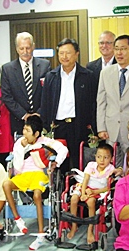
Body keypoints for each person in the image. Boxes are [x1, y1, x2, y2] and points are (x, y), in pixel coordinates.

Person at [2, 116, 68, 250]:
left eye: (27, 130)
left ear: (36, 133)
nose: (24, 133)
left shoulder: (47, 141)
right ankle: (17, 219)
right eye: (24, 129)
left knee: (37, 196)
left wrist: (57, 162)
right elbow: (18, 166)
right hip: (24, 174)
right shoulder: (20, 142)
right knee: (6, 184)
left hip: (39, 174)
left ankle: (40, 234)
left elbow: (63, 150)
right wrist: (22, 148)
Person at [40, 38, 97, 170]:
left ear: (77, 53)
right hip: (58, 126)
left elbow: (93, 104)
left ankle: (77, 189)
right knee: (59, 162)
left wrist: (93, 128)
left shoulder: (87, 76)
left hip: (79, 125)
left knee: (79, 162)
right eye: (61, 53)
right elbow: (45, 104)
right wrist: (46, 128)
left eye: (68, 53)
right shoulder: (51, 76)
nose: (64, 57)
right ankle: (62, 189)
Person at [1, 31, 51, 135]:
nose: (25, 51)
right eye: (21, 48)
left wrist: (39, 113)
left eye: (28, 48)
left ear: (33, 47)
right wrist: (24, 115)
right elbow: (7, 96)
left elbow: (49, 92)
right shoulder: (7, 69)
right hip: (19, 122)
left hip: (41, 121)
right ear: (16, 49)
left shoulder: (44, 65)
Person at [67, 143, 115, 246]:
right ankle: (74, 225)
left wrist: (93, 192)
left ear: (111, 158)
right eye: (99, 157)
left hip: (98, 190)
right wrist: (83, 193)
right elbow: (86, 179)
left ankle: (90, 229)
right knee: (74, 199)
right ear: (95, 157)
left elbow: (108, 187)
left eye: (106, 157)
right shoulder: (91, 165)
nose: (102, 160)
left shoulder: (111, 169)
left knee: (91, 202)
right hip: (85, 186)